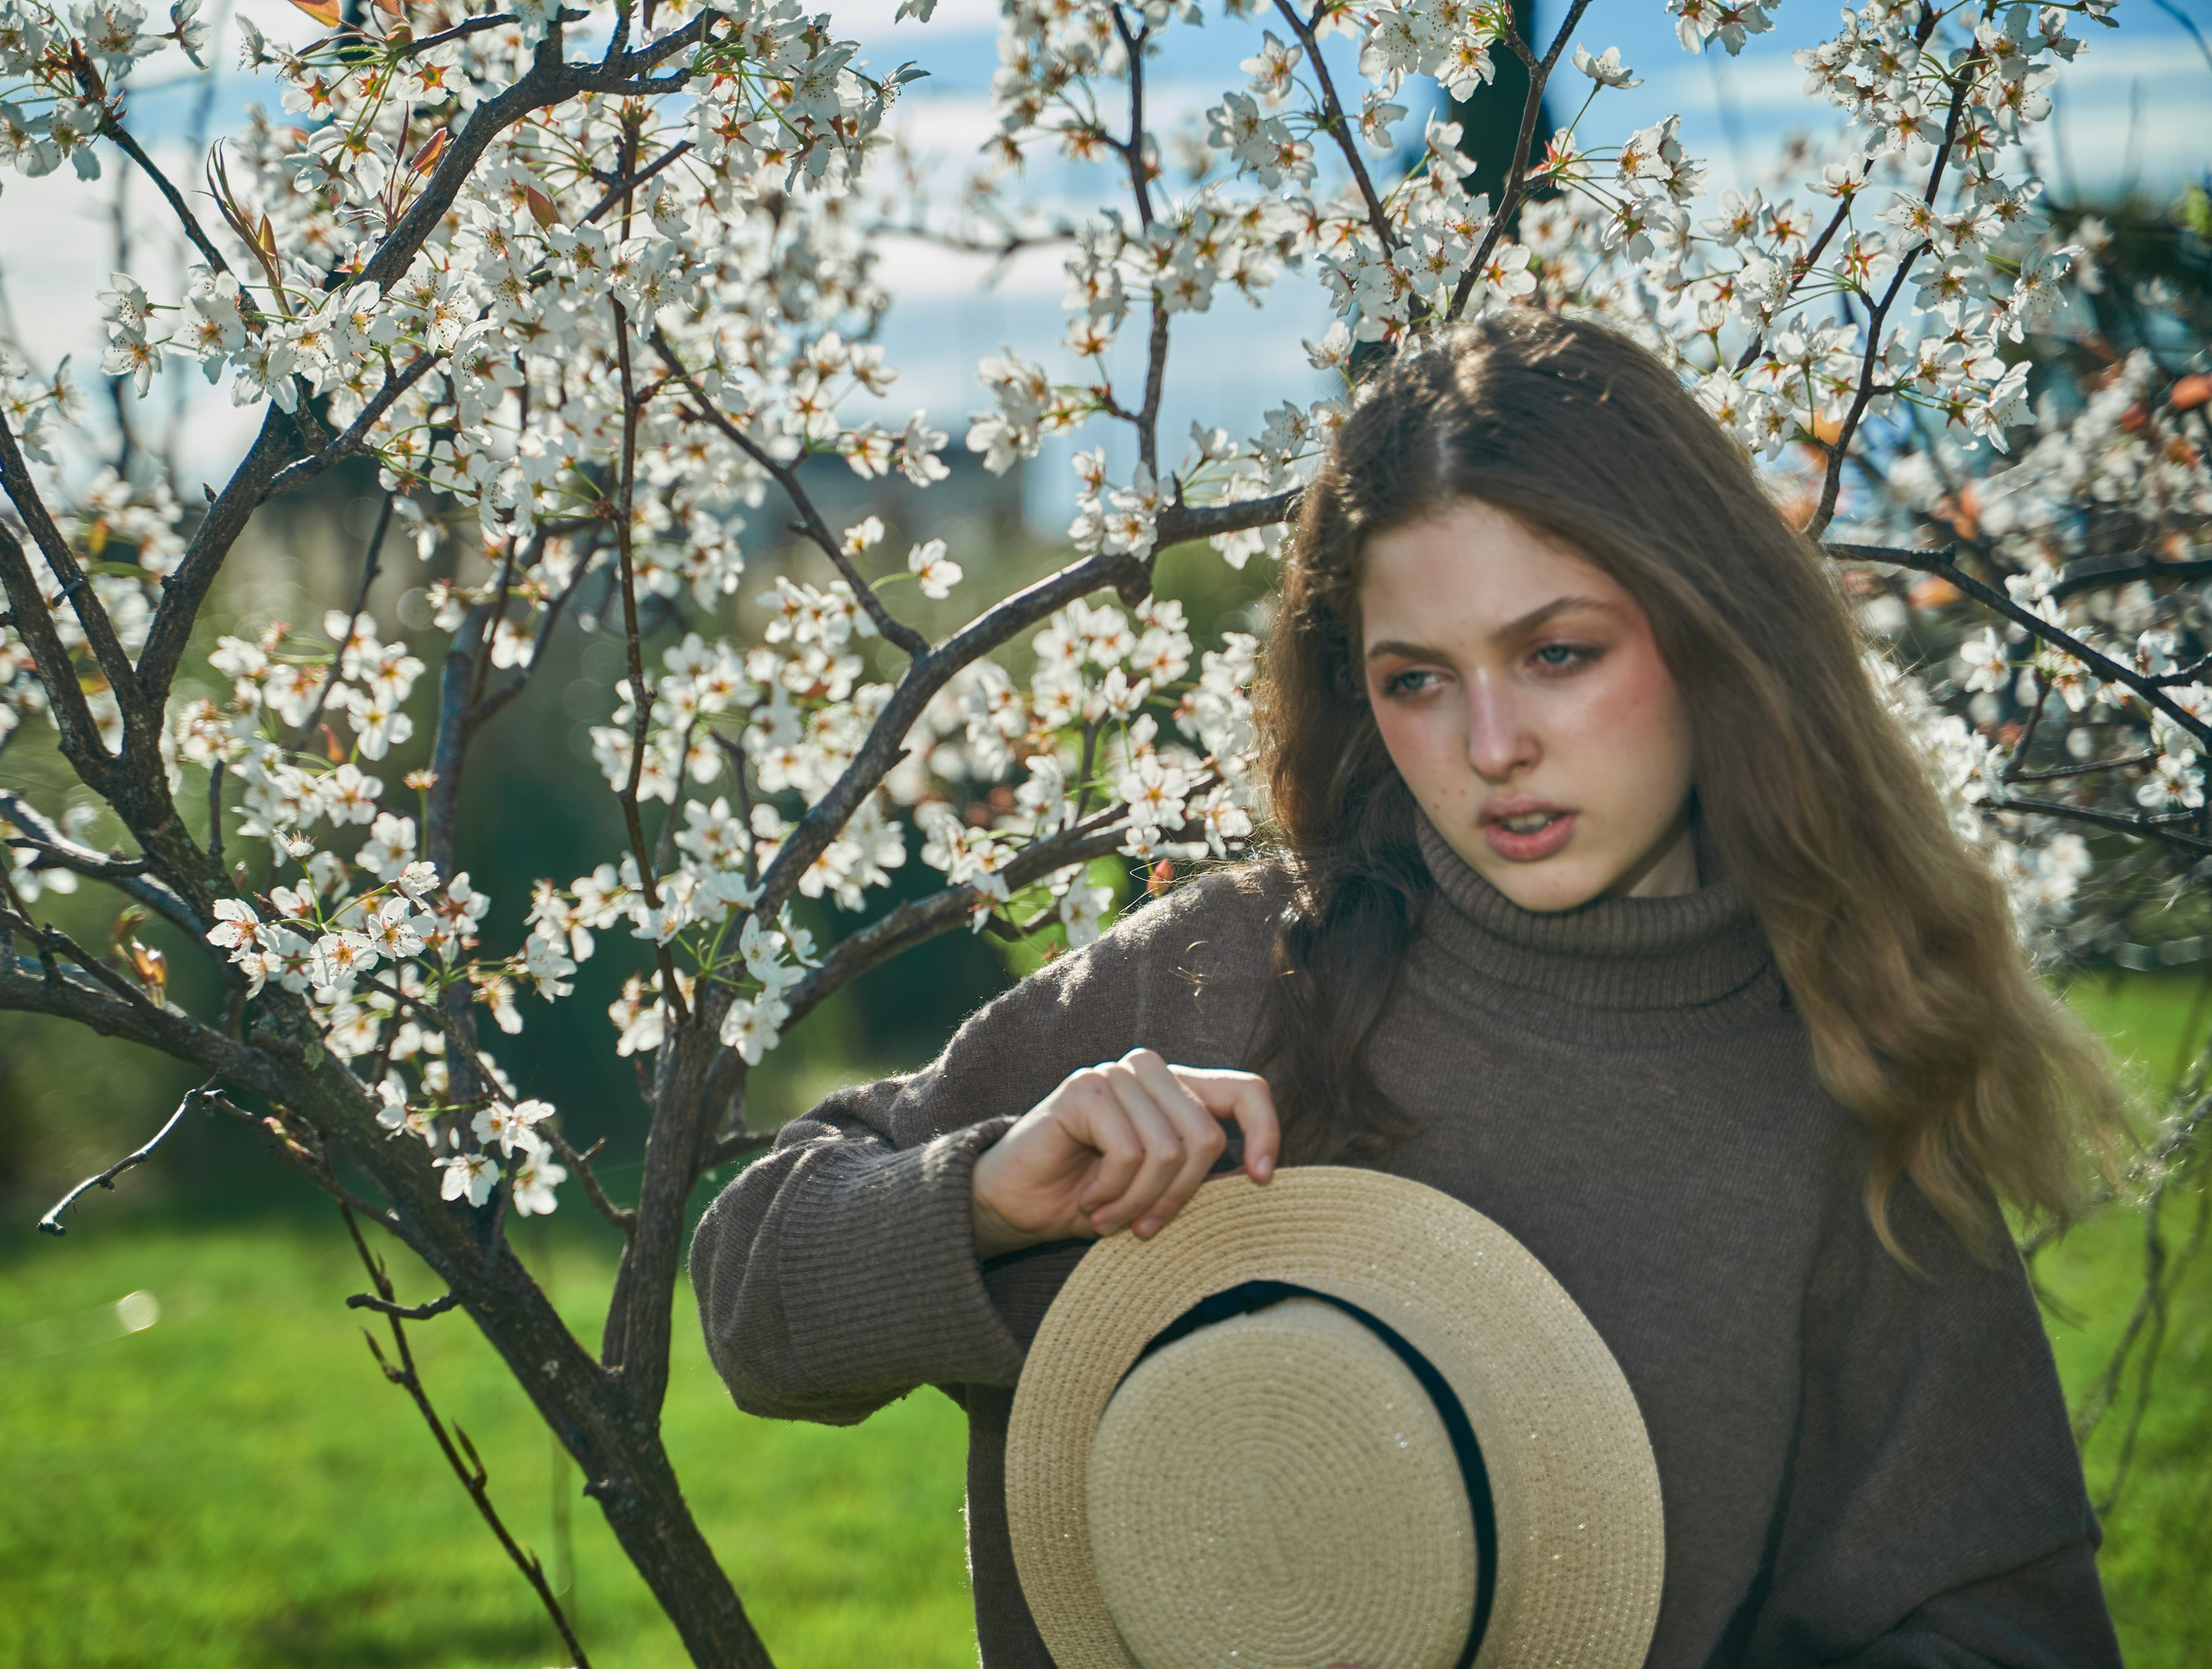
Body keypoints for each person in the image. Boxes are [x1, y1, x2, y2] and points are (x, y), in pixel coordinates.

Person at [688, 311, 2129, 1667]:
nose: (1491, 743)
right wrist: (989, 1198)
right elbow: (751, 1305)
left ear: (1708, 635)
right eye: (1417, 678)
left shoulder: (1845, 1101)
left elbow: (2002, 1635)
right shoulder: (1227, 974)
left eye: (1557, 654)